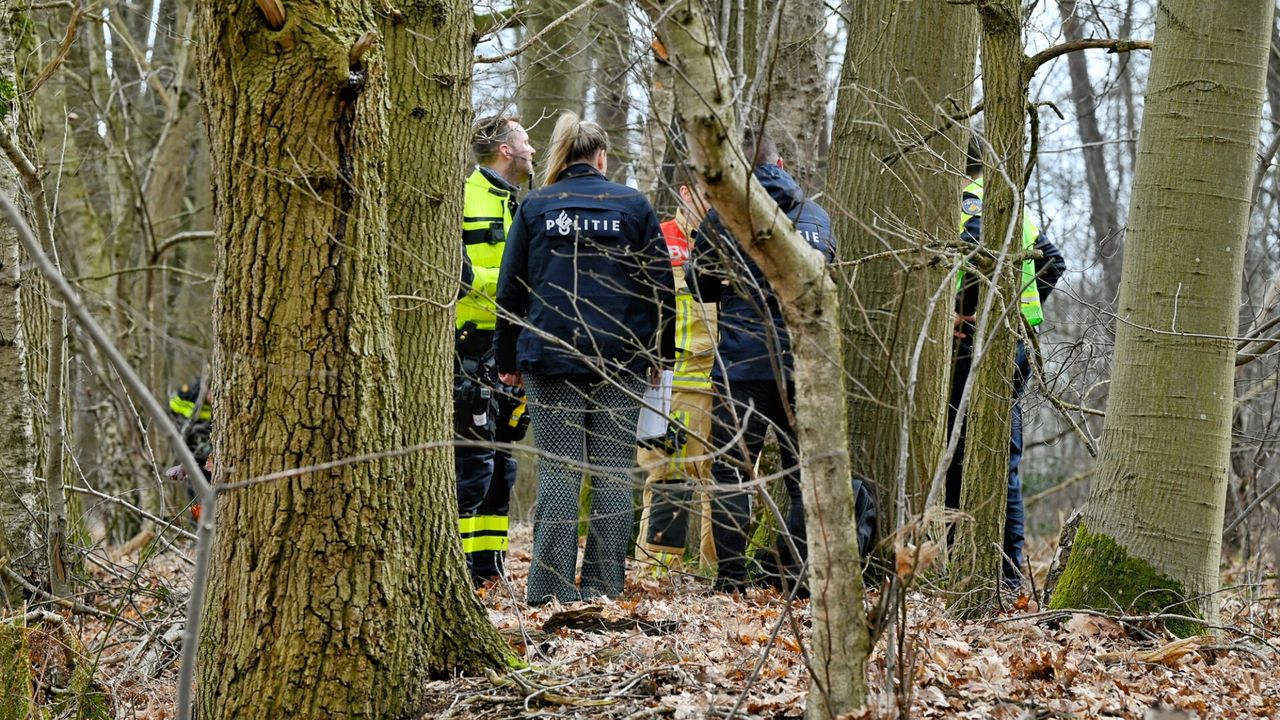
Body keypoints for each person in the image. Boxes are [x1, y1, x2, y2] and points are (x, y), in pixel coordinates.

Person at [494, 112, 675, 605]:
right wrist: (659, 352)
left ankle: (548, 591)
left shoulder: (536, 206)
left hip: (550, 357)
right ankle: (602, 587)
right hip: (621, 359)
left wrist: (505, 357)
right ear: (601, 158)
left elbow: (511, 288)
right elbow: (660, 286)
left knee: (559, 471)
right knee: (615, 470)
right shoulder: (634, 206)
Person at [686, 128, 836, 594]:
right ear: (782, 165)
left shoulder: (722, 218)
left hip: (740, 366)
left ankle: (732, 579)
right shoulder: (815, 216)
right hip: (803, 366)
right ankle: (795, 574)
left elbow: (699, 286)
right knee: (803, 478)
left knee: (731, 473)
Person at [946, 138, 1066, 587]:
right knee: (1002, 456)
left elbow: (977, 252)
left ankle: (997, 572)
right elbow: (1052, 261)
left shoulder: (969, 206)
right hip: (1013, 342)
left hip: (980, 345)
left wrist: (971, 311)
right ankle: (1004, 571)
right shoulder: (1012, 208)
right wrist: (1018, 313)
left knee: (968, 457)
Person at [455, 114, 536, 586]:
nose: (532, 148)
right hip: (470, 346)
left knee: (503, 463)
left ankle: (488, 571)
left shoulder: (520, 204)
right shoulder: (463, 198)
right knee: (472, 464)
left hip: (512, 350)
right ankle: (459, 572)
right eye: (524, 140)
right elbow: (457, 275)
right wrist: (513, 288)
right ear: (505, 150)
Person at [635, 184, 719, 570]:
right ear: (685, 192)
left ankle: (713, 571)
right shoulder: (659, 238)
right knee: (668, 477)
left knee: (718, 481)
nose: (711, 200)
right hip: (670, 381)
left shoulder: (729, 242)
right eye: (704, 191)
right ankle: (657, 574)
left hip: (721, 381)